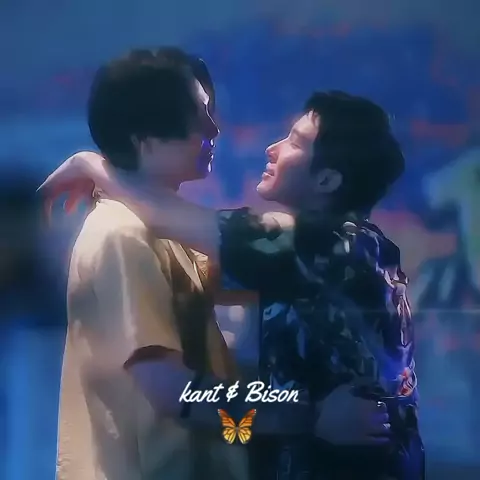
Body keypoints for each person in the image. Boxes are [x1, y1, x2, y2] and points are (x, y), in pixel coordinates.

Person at [41, 90, 424, 479]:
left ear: (327, 179)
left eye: (294, 142)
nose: (273, 149)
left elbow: (167, 215)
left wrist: (90, 165)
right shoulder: (355, 250)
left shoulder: (323, 245)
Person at [50, 47, 316, 480]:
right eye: (199, 113)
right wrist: (303, 415)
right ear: (143, 136)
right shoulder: (124, 235)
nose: (214, 128)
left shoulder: (159, 231)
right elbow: (174, 393)